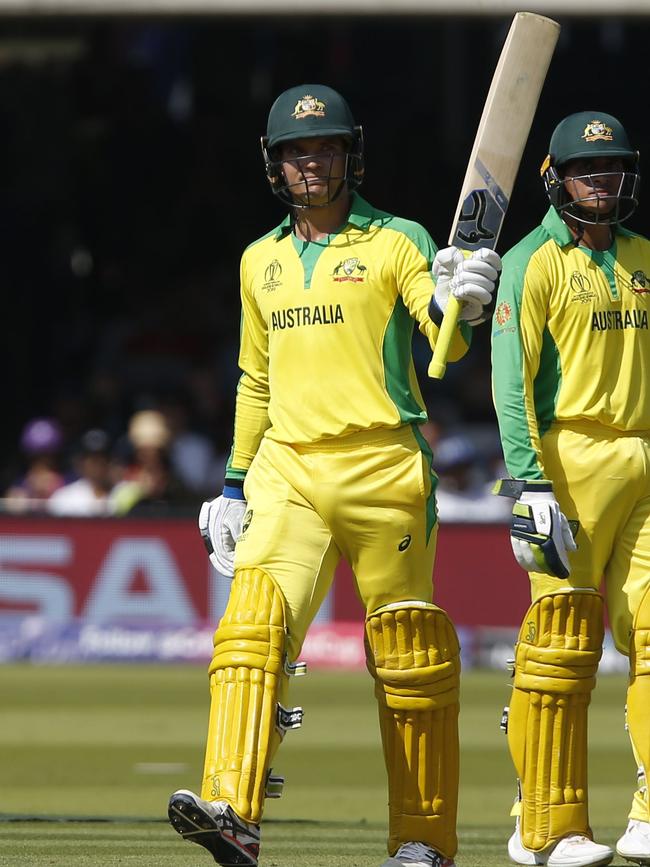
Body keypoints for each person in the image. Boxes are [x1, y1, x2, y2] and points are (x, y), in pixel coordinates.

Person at [167, 84, 500, 867]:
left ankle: (423, 841)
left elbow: (444, 348)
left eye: (321, 150)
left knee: (409, 656)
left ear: (350, 155)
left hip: (385, 464)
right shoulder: (261, 260)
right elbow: (255, 381)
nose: (307, 164)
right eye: (293, 152)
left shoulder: (398, 240)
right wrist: (234, 482)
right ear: (273, 166)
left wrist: (464, 302)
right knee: (250, 628)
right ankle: (233, 810)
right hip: (288, 469)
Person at [491, 110, 650, 867]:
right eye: (589, 170)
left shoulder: (645, 256)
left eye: (613, 167)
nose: (604, 181)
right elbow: (509, 382)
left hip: (644, 457)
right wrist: (529, 479)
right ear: (555, 180)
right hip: (568, 462)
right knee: (561, 647)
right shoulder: (531, 261)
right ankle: (542, 816)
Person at [47, 428, 117, 517]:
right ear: (81, 462)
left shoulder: (123, 492)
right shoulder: (65, 498)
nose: (98, 464)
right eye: (93, 459)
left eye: (103, 458)